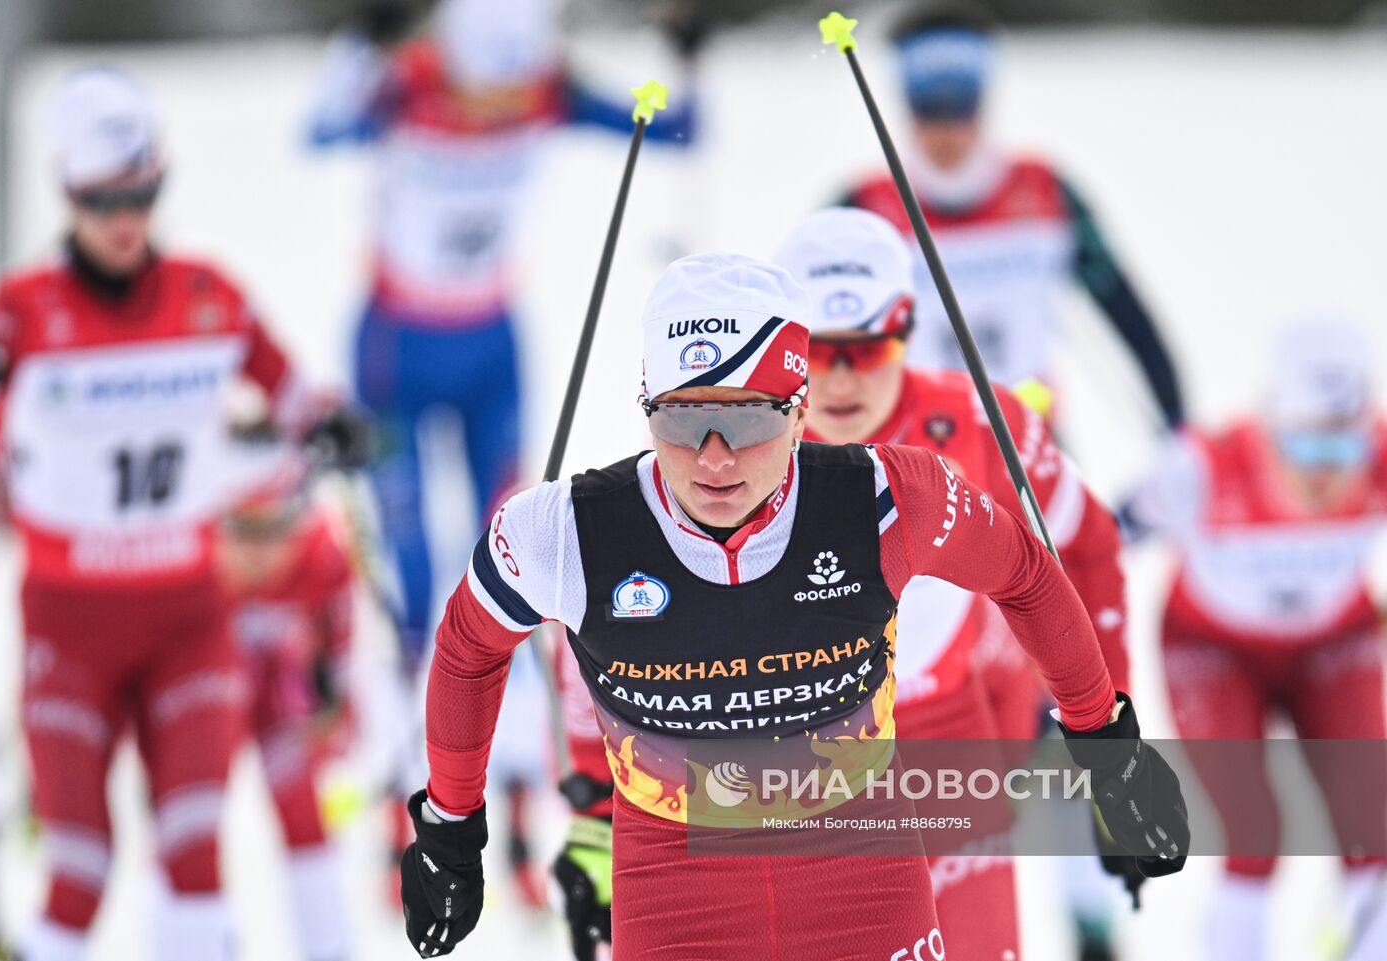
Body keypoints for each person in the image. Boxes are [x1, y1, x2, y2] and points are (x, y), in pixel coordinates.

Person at [394, 252, 1187, 959]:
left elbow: (1026, 573)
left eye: (744, 416)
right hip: (679, 905)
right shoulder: (564, 530)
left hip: (866, 892)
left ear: (799, 409)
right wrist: (451, 825)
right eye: (683, 416)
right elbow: (470, 645)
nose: (713, 456)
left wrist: (1105, 737)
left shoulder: (886, 496)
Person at [0, 68, 358, 961]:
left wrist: (332, 423)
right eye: (102, 197)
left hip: (189, 615)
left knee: (196, 854)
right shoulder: (24, 313)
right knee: (78, 866)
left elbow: (295, 390)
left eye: (144, 192)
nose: (125, 218)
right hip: (69, 625)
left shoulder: (209, 296)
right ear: (67, 191)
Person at [773, 206, 1131, 961]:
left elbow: (1090, 542)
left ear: (903, 327)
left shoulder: (978, 420)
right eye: (816, 352)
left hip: (945, 730)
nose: (838, 379)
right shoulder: (733, 445)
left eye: (863, 350)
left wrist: (1109, 734)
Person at [306, 0, 696, 669]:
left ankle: (504, 689)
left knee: (507, 533)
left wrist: (686, 55)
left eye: (515, 88)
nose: (500, 106)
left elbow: (678, 132)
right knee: (410, 543)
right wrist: (362, 44)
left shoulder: (547, 94)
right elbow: (319, 132)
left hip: (491, 347)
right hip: (395, 349)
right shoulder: (408, 85)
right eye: (487, 87)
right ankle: (407, 679)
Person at [1123, 317, 1387, 961]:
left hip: (1333, 643)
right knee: (1253, 832)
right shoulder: (1203, 469)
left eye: (1343, 451)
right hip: (1211, 649)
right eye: (1306, 448)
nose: (1325, 473)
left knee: (1373, 825)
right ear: (1268, 428)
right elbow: (1092, 543)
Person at [842, 0, 1184, 435]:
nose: (946, 131)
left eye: (961, 105)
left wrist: (1175, 420)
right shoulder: (865, 206)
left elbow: (1126, 311)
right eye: (927, 107)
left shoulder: (1046, 193)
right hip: (912, 452)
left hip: (1030, 444)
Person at [218, 430, 356, 961]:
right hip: (217, 690)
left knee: (302, 810)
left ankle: (329, 947)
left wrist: (338, 715)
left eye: (273, 529)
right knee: (191, 819)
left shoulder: (324, 553)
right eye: (241, 528)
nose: (256, 550)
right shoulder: (199, 556)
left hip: (286, 695)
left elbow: (344, 651)